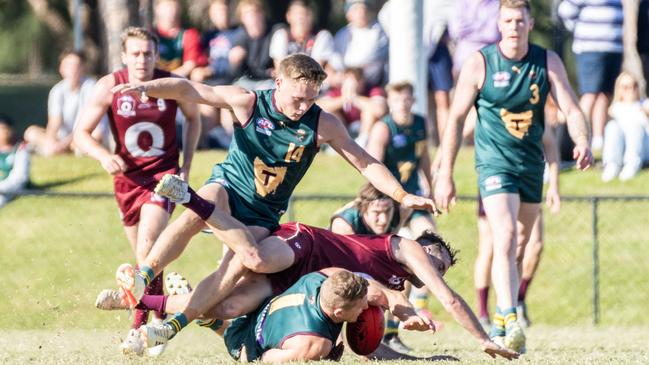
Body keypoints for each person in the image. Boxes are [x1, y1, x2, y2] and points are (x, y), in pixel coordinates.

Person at [108, 53, 439, 351]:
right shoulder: (248, 102)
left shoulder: (322, 123)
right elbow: (190, 89)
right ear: (278, 83)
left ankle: (169, 326)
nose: (302, 108)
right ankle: (144, 275)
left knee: (233, 275)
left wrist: (402, 195)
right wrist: (147, 87)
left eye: (310, 100)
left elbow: (365, 162)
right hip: (228, 187)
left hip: (261, 216)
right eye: (298, 99)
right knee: (198, 208)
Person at [98, 215, 518, 360]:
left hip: (301, 283)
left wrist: (414, 338)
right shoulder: (405, 247)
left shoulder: (397, 285)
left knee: (223, 309)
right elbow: (445, 297)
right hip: (305, 245)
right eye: (435, 261)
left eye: (440, 268)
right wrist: (483, 338)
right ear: (423, 247)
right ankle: (205, 210)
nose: (435, 270)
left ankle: (140, 300)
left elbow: (379, 329)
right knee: (253, 259)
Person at [434, 0, 592, 353]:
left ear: (530, 23)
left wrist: (582, 140)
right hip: (494, 164)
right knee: (503, 235)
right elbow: (456, 120)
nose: (514, 26)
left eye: (520, 20)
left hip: (530, 165)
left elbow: (571, 106)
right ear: (499, 23)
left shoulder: (546, 61)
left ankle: (506, 311)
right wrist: (444, 172)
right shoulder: (480, 63)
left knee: (520, 243)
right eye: (507, 20)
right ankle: (508, 316)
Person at [73, 26, 200, 351]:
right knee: (145, 258)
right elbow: (81, 133)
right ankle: (158, 319)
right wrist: (103, 156)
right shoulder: (110, 86)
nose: (142, 59)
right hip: (127, 181)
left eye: (148, 53)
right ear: (124, 56)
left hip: (163, 176)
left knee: (147, 248)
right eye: (136, 53)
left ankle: (139, 327)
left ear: (157, 55)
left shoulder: (169, 83)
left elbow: (194, 117)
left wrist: (185, 167)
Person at [474, 100, 562, 329]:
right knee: (493, 247)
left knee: (528, 246)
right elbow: (461, 124)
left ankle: (514, 301)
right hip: (496, 181)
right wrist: (445, 161)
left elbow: (550, 144)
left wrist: (554, 185)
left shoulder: (534, 111)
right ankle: (487, 312)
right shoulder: (490, 105)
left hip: (528, 181)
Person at [329, 183, 409, 352]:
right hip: (338, 271)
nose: (384, 219)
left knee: (404, 272)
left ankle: (391, 334)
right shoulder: (345, 224)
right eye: (376, 213)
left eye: (387, 211)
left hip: (373, 262)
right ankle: (335, 339)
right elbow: (339, 276)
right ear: (363, 209)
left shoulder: (401, 211)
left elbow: (408, 202)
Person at [558, 0, 624, 151]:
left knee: (604, 95)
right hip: (591, 48)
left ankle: (598, 143)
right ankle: (577, 142)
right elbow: (566, 10)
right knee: (590, 95)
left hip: (614, 47)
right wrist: (581, 29)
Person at [23, 51, 106, 156]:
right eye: (68, 65)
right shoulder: (57, 90)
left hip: (84, 134)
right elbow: (54, 122)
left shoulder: (91, 87)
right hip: (62, 137)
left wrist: (63, 144)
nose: (73, 69)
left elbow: (85, 124)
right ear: (61, 69)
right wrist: (51, 140)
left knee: (96, 136)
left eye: (77, 65)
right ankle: (60, 149)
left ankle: (68, 149)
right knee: (30, 132)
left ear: (83, 68)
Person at [190, 0, 246, 149]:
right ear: (211, 14)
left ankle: (235, 149)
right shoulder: (208, 36)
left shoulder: (239, 33)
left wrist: (213, 70)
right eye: (218, 11)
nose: (222, 15)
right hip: (211, 84)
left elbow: (237, 67)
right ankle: (204, 148)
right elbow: (201, 61)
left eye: (224, 10)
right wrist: (200, 71)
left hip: (231, 83)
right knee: (206, 112)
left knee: (227, 111)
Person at [317, 67, 387, 145]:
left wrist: (354, 97)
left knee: (369, 111)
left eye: (356, 79)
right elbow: (319, 107)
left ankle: (363, 142)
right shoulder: (336, 92)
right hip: (345, 126)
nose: (352, 83)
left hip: (366, 128)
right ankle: (338, 141)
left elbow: (380, 110)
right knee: (329, 113)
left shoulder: (373, 90)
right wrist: (345, 98)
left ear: (362, 81)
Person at [601, 72, 649, 182]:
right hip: (621, 148)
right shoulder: (614, 109)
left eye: (634, 85)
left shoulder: (644, 104)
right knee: (612, 126)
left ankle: (632, 164)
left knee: (634, 127)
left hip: (643, 149)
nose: (631, 90)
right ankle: (612, 164)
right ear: (619, 89)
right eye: (626, 87)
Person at [333, 0, 389, 89]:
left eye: (364, 9)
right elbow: (336, 62)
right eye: (356, 9)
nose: (361, 13)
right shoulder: (342, 34)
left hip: (372, 87)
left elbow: (365, 59)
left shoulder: (379, 32)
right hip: (345, 84)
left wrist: (350, 75)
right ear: (348, 14)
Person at [269, 0, 335, 69]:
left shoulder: (322, 36)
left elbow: (315, 70)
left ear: (312, 17)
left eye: (305, 14)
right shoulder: (281, 35)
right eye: (297, 14)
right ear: (288, 16)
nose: (301, 19)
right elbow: (280, 69)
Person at [232, 0, 277, 91]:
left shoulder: (275, 32)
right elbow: (235, 74)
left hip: (268, 82)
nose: (253, 17)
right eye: (248, 14)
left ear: (263, 14)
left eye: (256, 12)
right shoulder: (240, 36)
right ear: (242, 18)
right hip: (246, 81)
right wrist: (234, 63)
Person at [154, 0, 203, 78]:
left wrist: (167, 80)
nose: (171, 11)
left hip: (179, 82)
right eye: (167, 6)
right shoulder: (150, 35)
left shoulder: (189, 35)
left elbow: (189, 65)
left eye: (174, 6)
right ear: (157, 9)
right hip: (153, 82)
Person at [0, 115, 30, 209]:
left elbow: (19, 178)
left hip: (8, 190)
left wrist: (2, 187)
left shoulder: (20, 150)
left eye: (3, 128)